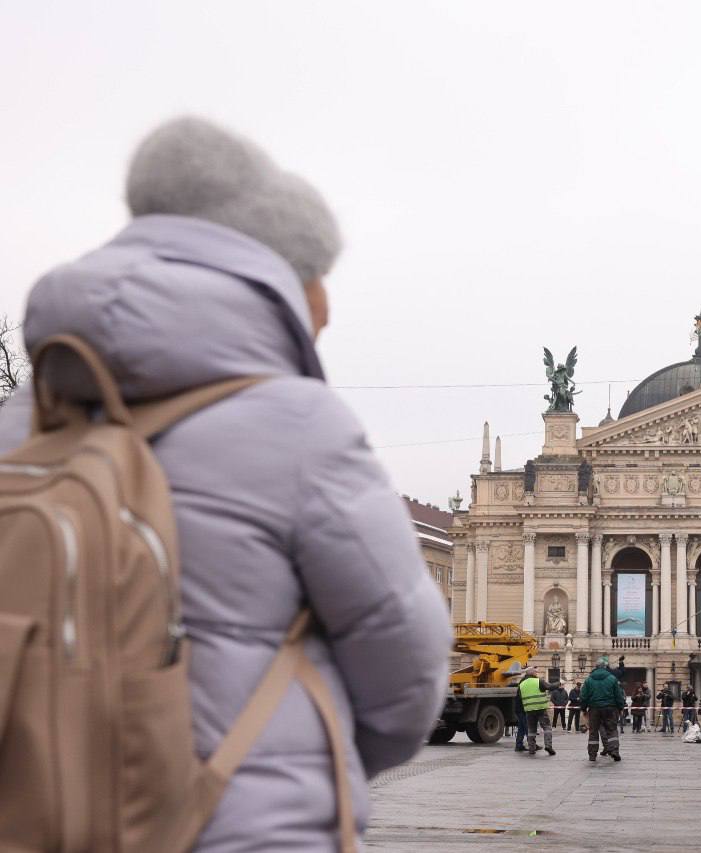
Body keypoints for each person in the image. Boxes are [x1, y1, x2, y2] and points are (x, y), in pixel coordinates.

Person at [0, 116, 453, 850]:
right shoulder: (301, 423)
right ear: (275, 275)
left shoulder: (21, 421)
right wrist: (302, 757)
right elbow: (406, 671)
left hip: (42, 819)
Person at [579, 656, 626, 761]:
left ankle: (592, 755)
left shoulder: (589, 680)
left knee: (593, 731)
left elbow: (583, 696)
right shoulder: (612, 678)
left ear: (596, 667)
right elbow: (618, 695)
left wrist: (583, 709)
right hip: (610, 708)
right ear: (605, 667)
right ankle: (614, 751)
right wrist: (621, 707)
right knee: (612, 729)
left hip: (594, 709)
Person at [518, 666, 556, 757]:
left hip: (529, 710)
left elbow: (519, 697)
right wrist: (559, 683)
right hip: (541, 708)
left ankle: (531, 748)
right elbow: (550, 687)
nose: (536, 673)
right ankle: (548, 746)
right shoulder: (538, 681)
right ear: (533, 673)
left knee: (531, 729)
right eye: (535, 672)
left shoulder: (521, 684)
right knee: (547, 728)